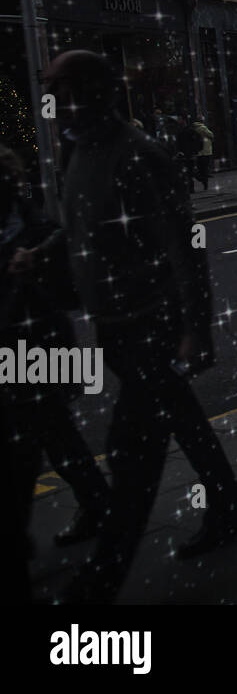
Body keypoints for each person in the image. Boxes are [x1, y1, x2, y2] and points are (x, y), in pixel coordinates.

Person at [10, 51, 237, 604]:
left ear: (96, 90)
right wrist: (39, 254)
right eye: (49, 86)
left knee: (129, 452)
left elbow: (183, 248)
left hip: (151, 324)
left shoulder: (139, 156)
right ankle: (228, 505)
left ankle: (100, 580)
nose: (54, 97)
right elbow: (79, 229)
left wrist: (196, 329)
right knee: (182, 420)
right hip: (114, 326)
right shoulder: (77, 152)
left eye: (62, 86)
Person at [0, 144, 111, 551]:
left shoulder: (36, 233)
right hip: (36, 350)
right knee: (50, 435)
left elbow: (68, 294)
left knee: (41, 437)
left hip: (34, 351)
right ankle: (96, 504)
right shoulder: (36, 226)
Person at [191, 116, 214, 191]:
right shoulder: (203, 128)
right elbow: (211, 134)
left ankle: (202, 178)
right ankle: (205, 182)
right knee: (205, 167)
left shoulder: (194, 128)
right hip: (206, 151)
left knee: (200, 167)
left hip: (198, 151)